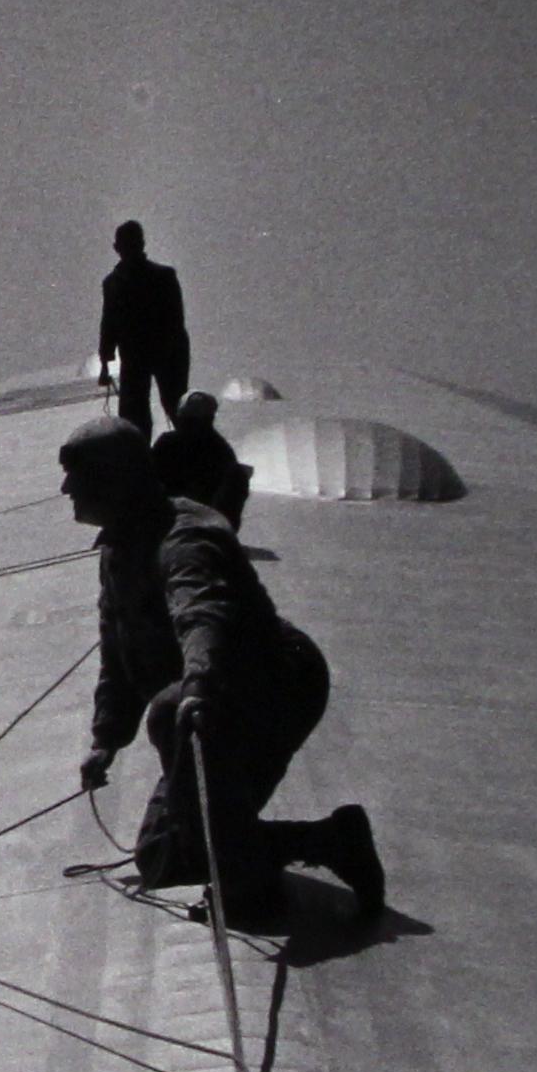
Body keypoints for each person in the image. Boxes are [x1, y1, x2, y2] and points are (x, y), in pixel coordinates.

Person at [61, 417, 381, 930]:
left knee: (173, 722)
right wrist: (107, 738)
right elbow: (119, 653)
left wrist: (198, 686)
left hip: (271, 688)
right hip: (214, 698)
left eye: (75, 477)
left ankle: (249, 891)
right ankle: (328, 840)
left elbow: (201, 612)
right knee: (163, 858)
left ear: (113, 479)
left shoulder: (183, 539)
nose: (66, 490)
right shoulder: (119, 549)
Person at [97, 219, 190, 434]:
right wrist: (105, 359)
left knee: (158, 411)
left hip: (158, 354)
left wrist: (105, 360)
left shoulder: (116, 283)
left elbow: (109, 323)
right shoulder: (160, 277)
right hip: (151, 354)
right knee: (143, 414)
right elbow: (109, 323)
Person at [149, 390, 251, 528]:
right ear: (211, 419)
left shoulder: (166, 442)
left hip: (171, 520)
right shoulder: (221, 449)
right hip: (207, 522)